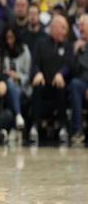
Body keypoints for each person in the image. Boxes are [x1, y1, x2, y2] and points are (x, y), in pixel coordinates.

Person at [29, 15, 73, 144]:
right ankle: (35, 126)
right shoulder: (41, 43)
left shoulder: (67, 45)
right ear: (54, 27)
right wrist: (37, 73)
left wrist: (61, 73)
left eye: (66, 29)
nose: (65, 32)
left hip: (59, 84)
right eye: (63, 28)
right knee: (37, 85)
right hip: (43, 83)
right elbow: (35, 63)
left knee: (61, 86)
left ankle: (63, 127)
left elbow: (69, 65)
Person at [69, 13, 88, 144]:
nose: (80, 29)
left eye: (83, 25)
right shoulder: (77, 46)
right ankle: (77, 131)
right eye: (79, 26)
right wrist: (75, 53)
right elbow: (73, 71)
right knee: (75, 84)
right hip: (82, 84)